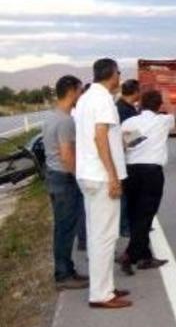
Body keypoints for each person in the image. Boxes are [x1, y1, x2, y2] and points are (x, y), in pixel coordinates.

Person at [75, 58, 131, 309]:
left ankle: (104, 287)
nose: (120, 77)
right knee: (105, 236)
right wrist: (112, 176)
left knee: (98, 233)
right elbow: (100, 138)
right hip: (100, 175)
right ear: (112, 74)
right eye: (119, 72)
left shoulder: (86, 97)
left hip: (88, 174)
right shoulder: (104, 99)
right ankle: (100, 294)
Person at [118, 91, 174, 275]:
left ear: (140, 104)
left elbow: (125, 144)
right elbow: (173, 113)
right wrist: (167, 102)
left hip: (131, 171)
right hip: (151, 172)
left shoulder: (129, 122)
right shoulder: (163, 121)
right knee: (146, 214)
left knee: (135, 214)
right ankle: (130, 254)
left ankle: (144, 257)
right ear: (159, 105)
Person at [43, 75, 88, 290]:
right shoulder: (65, 120)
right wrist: (79, 177)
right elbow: (67, 155)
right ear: (71, 91)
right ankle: (63, 275)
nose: (81, 95)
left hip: (54, 176)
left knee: (62, 227)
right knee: (65, 228)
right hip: (64, 178)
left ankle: (67, 270)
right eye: (80, 90)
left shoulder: (52, 116)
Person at [116, 79, 139, 238]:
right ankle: (124, 226)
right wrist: (140, 138)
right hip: (124, 157)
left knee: (131, 194)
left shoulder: (127, 107)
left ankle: (131, 224)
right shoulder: (123, 110)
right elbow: (126, 135)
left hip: (128, 156)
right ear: (135, 92)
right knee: (125, 195)